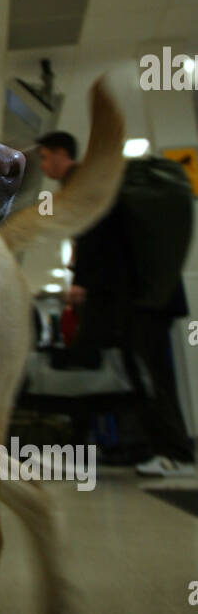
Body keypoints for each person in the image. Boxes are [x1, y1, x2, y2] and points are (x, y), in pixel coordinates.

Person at [38, 131, 195, 477]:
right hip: (135, 298)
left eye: (45, 157)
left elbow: (99, 235)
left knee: (142, 374)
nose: (43, 165)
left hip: (133, 300)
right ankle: (104, 448)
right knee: (115, 369)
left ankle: (176, 454)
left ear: (62, 154)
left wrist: (80, 279)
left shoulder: (87, 181)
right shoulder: (93, 181)